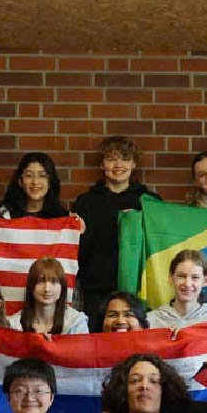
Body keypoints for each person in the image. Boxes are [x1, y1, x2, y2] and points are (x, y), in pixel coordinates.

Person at [72, 135, 157, 323]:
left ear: (134, 164)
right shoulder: (85, 202)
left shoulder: (149, 202)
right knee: (96, 337)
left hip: (138, 289)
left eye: (125, 159)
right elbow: (76, 248)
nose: (118, 165)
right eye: (111, 159)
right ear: (102, 165)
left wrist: (139, 220)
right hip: (95, 288)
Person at [99, 354, 207, 413]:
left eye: (153, 381)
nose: (144, 386)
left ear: (164, 390)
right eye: (135, 380)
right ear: (122, 390)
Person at [145, 250, 207, 328]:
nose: (187, 284)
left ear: (205, 280)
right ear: (171, 278)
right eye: (181, 276)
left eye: (195, 277)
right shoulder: (149, 321)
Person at [9, 257, 89, 334]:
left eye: (53, 282)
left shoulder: (77, 323)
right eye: (40, 281)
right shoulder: (13, 325)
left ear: (62, 289)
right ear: (31, 287)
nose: (47, 289)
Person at [0, 152, 68, 219]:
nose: (35, 182)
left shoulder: (64, 219)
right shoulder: (5, 216)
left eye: (42, 175)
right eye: (29, 175)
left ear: (50, 182)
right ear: (20, 181)